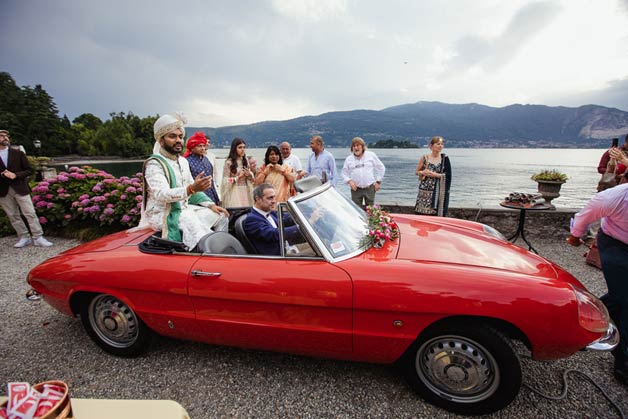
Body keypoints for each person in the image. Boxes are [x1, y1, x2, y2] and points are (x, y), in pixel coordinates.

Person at [567, 172, 628, 386]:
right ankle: (624, 361)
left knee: (620, 297)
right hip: (616, 244)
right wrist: (575, 235)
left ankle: (584, 320)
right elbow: (586, 214)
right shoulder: (615, 197)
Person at [136, 114, 229, 250]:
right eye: (172, 136)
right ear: (161, 140)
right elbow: (161, 194)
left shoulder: (183, 161)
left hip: (184, 209)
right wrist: (190, 189)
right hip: (163, 213)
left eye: (180, 136)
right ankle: (209, 257)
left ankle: (223, 250)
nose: (178, 140)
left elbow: (193, 189)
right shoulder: (154, 164)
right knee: (193, 224)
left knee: (221, 215)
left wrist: (210, 204)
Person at [0, 129, 53, 248]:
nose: (5, 138)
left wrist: (15, 175)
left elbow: (29, 170)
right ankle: (23, 236)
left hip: (19, 187)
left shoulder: (18, 153)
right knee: (12, 215)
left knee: (30, 212)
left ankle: (38, 237)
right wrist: (2, 174)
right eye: (1, 136)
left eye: (6, 136)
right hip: (3, 190)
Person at [242, 183, 301, 255]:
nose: (274, 201)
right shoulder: (251, 220)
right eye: (270, 198)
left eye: (274, 197)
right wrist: (300, 227)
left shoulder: (270, 212)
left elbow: (286, 219)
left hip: (289, 248)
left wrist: (305, 216)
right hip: (279, 257)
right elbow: (274, 234)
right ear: (258, 199)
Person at [341, 137, 385, 207]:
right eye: (354, 146)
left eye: (358, 145)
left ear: (362, 146)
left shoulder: (371, 155)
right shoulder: (349, 159)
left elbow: (381, 168)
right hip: (356, 189)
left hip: (370, 188)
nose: (356, 148)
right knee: (356, 210)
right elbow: (344, 173)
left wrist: (378, 181)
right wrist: (349, 181)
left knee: (371, 211)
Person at [414, 136, 452, 216]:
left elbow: (448, 176)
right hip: (424, 191)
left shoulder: (445, 159)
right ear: (431, 146)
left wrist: (435, 175)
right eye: (438, 144)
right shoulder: (425, 158)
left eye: (442, 144)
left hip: (438, 191)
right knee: (421, 214)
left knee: (435, 213)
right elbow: (417, 172)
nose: (440, 146)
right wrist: (422, 172)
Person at [184, 131, 220, 204]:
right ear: (192, 147)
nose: (203, 148)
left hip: (211, 193)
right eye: (199, 146)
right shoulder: (186, 161)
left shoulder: (206, 159)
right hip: (196, 196)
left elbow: (212, 178)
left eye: (204, 146)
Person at [220, 138, 255, 208]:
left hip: (246, 192)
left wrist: (249, 175)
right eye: (240, 147)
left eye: (244, 147)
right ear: (234, 149)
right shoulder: (229, 162)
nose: (242, 149)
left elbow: (252, 180)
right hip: (234, 192)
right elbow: (225, 181)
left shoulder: (246, 161)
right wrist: (237, 178)